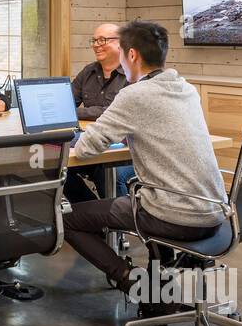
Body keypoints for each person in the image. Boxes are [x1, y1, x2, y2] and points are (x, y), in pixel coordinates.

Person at [64, 20, 227, 306]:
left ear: (132, 55)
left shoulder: (134, 94)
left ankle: (134, 282)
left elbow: (89, 148)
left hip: (171, 212)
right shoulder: (186, 89)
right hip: (214, 210)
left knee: (65, 219)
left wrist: (66, 141)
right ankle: (160, 278)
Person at [63, 22, 133, 203]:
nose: (96, 45)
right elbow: (64, 104)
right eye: (94, 40)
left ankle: (116, 222)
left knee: (108, 172)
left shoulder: (132, 74)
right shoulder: (88, 72)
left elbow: (112, 113)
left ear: (121, 43)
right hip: (91, 143)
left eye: (103, 40)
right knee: (56, 169)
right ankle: (89, 210)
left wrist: (78, 113)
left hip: (125, 151)